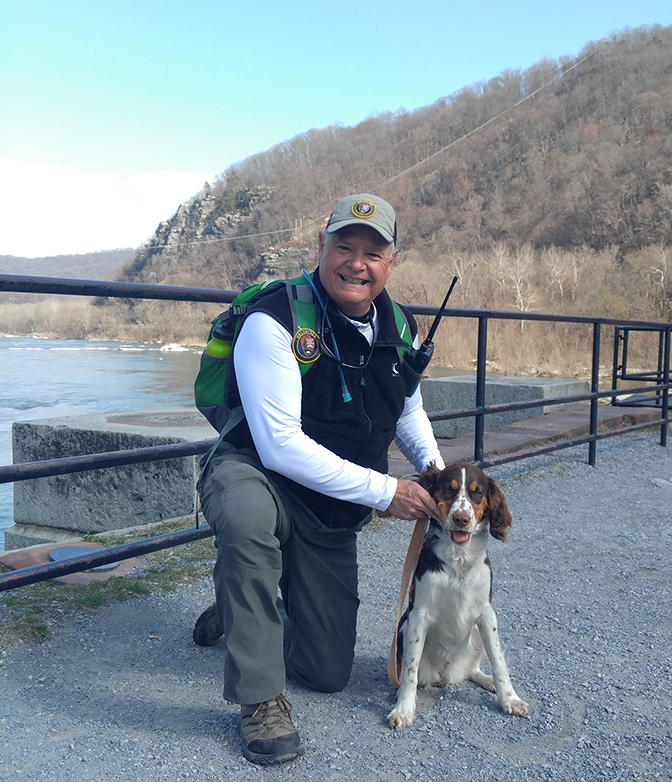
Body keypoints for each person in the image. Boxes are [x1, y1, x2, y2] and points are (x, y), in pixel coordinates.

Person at [194, 193, 445, 765]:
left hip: (328, 507)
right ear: (322, 246)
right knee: (248, 519)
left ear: (391, 261)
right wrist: (388, 492)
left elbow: (406, 410)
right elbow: (279, 446)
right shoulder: (275, 318)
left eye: (373, 252)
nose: (357, 263)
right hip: (255, 473)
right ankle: (260, 700)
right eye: (345, 247)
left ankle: (237, 605)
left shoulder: (398, 324)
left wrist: (432, 473)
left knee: (327, 671)